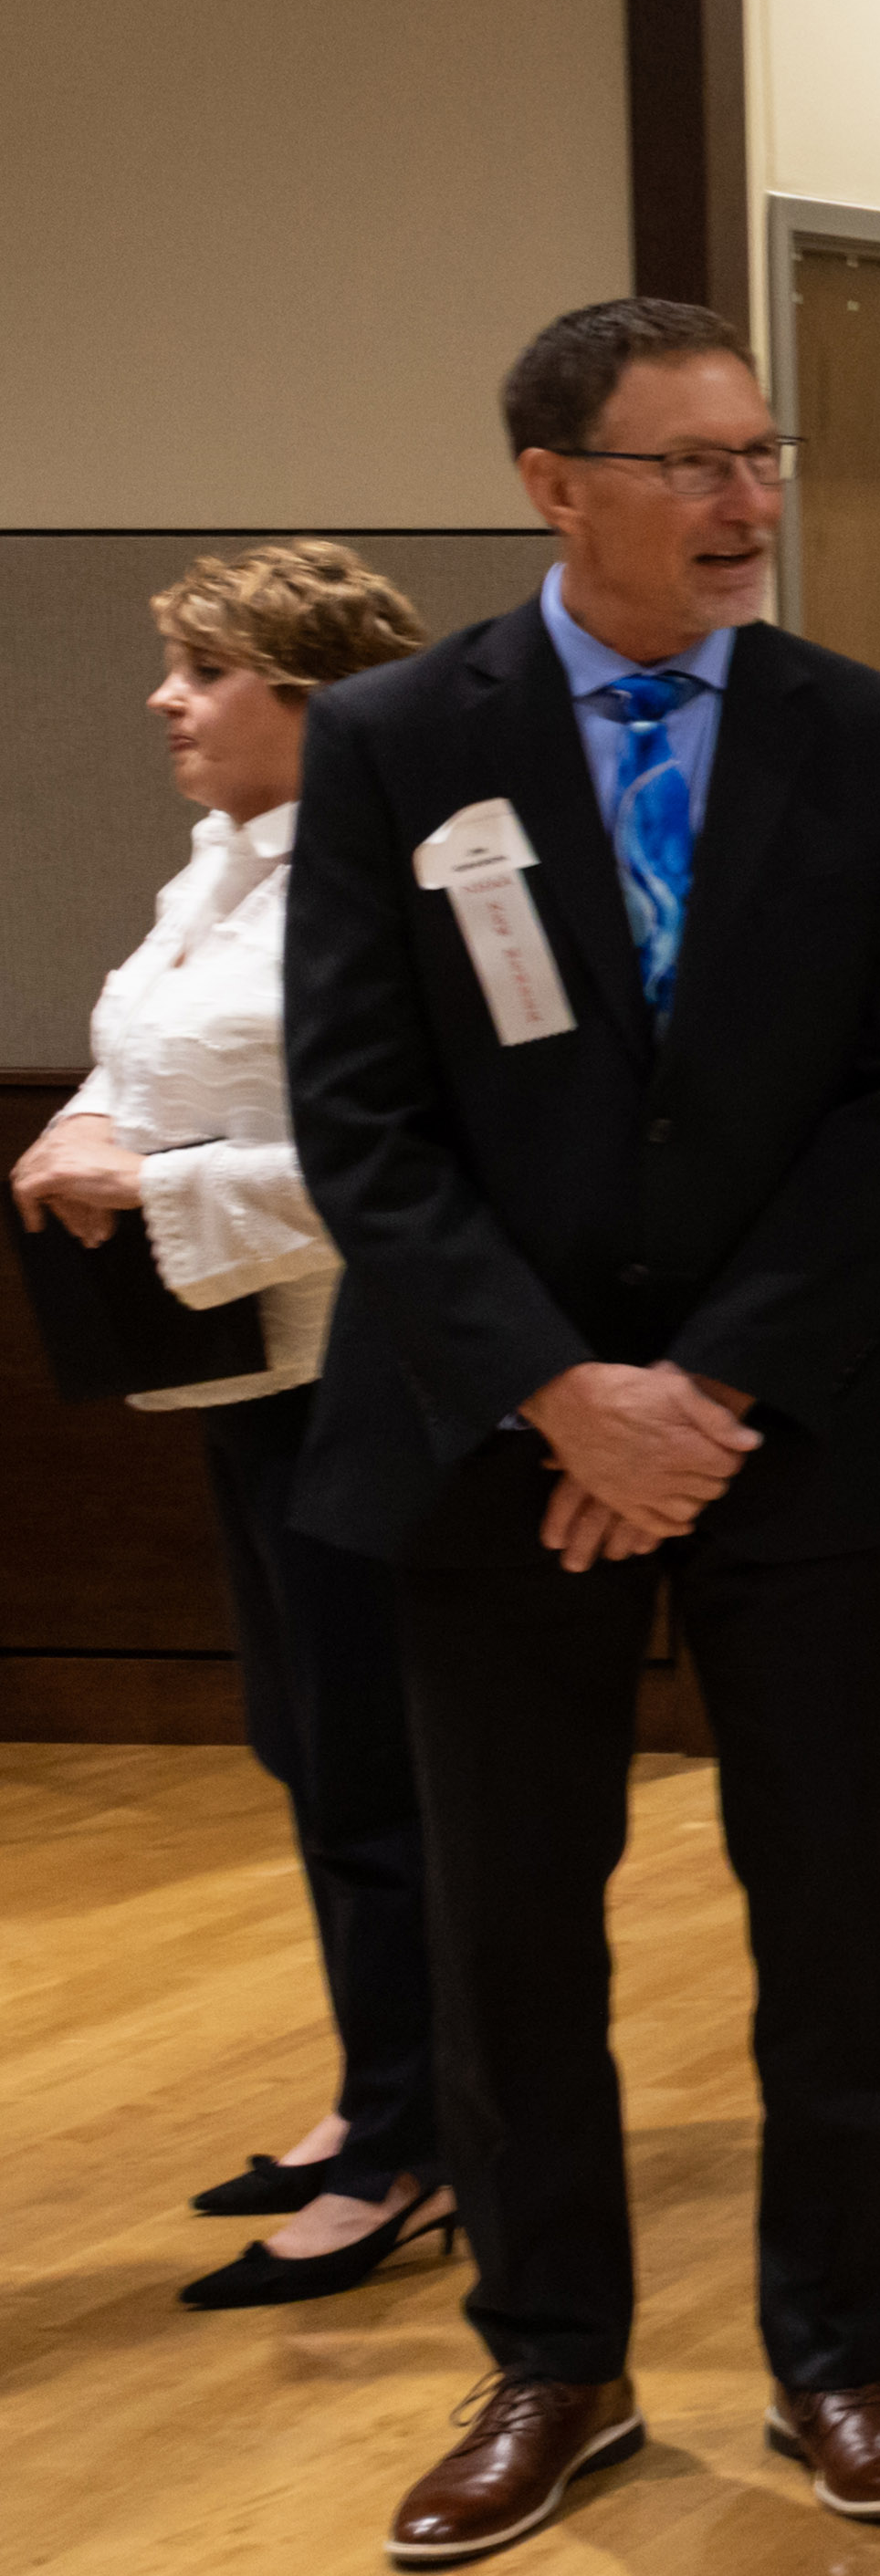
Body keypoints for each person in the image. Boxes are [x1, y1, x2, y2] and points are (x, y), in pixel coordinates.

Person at [279, 295, 880, 2567]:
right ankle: (552, 2358)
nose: (744, 502)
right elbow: (361, 1114)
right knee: (509, 1916)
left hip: (798, 1426)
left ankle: (840, 2354)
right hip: (497, 1436)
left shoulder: (875, 738)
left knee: (838, 1908)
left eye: (759, 455)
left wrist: (714, 1388)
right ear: (553, 484)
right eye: (690, 461)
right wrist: (560, 1383)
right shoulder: (402, 742)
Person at [24, 540, 447, 2308]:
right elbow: (149, 1052)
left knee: (375, 1765)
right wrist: (77, 1131)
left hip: (369, 1369)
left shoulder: (381, 874)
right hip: (236, 1362)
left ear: (307, 691)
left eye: (202, 668)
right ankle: (379, 2090)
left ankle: (423, 2146)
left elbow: (407, 1163)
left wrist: (153, 1177)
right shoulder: (220, 862)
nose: (164, 699)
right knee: (302, 1741)